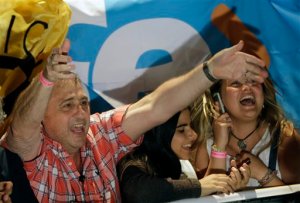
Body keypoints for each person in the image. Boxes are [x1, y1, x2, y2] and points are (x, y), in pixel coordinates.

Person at [1, 39, 268, 202]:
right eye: (67, 105)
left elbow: (155, 106)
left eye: (83, 102)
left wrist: (210, 71)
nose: (80, 112)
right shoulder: (36, 149)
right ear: (42, 117)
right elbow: (21, 126)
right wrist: (46, 80)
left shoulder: (100, 133)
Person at [117, 107, 250, 203]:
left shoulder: (181, 165)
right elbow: (140, 193)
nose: (194, 135)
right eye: (181, 130)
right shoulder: (132, 164)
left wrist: (228, 187)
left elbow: (203, 195)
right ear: (160, 132)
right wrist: (200, 186)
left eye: (191, 127)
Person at [192, 73, 300, 188]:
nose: (247, 88)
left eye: (254, 81)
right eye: (236, 83)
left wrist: (262, 174)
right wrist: (219, 147)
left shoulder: (285, 137)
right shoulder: (206, 146)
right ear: (218, 98)